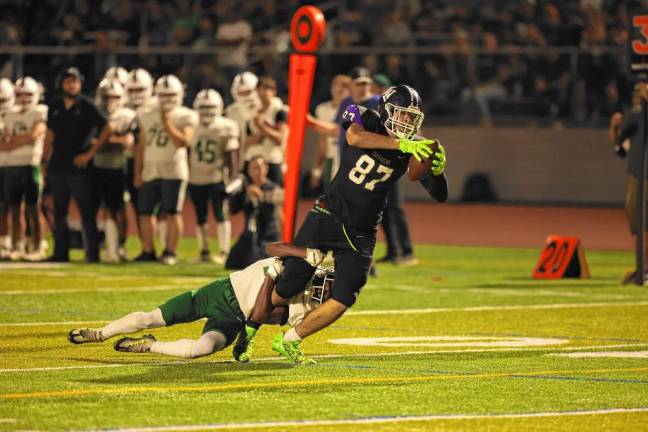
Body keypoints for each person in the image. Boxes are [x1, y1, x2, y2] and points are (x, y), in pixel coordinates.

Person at [238, 85, 448, 363]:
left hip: (362, 229)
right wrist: (401, 144)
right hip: (328, 213)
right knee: (288, 288)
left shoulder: (414, 144)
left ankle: (290, 340)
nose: (407, 123)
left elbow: (439, 195)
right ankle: (249, 326)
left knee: (345, 295)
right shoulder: (363, 115)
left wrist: (437, 170)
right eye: (402, 115)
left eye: (412, 118)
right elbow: (354, 136)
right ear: (386, 110)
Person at [68, 242, 327, 363]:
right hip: (218, 293)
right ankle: (100, 333)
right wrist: (302, 254)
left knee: (200, 349)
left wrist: (246, 334)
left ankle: (150, 347)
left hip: (233, 320)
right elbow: (273, 246)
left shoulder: (302, 307)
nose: (323, 293)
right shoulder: (297, 266)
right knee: (146, 318)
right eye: (324, 287)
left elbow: (263, 313)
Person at [44, 67, 113, 263]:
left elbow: (108, 127)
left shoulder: (86, 105)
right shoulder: (55, 106)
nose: (71, 85)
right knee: (60, 212)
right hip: (57, 165)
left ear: (80, 84)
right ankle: (60, 253)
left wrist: (90, 153)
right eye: (67, 81)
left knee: (86, 212)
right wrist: (43, 159)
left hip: (79, 168)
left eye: (74, 81)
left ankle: (92, 254)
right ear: (62, 84)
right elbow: (50, 134)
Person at [134, 74, 197, 265]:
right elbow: (142, 146)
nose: (167, 99)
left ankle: (170, 252)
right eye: (164, 94)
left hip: (174, 170)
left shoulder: (186, 115)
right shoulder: (146, 114)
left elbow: (183, 142)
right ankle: (148, 250)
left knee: (172, 212)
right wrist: (138, 172)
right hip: (151, 170)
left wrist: (167, 122)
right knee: (145, 212)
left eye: (171, 94)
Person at [0, 77, 48, 261]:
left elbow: (35, 135)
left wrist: (14, 143)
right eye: (19, 94)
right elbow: (5, 141)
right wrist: (20, 141)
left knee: (33, 209)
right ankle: (18, 245)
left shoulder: (40, 111)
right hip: (13, 166)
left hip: (31, 165)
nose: (24, 98)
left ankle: (38, 246)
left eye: (28, 94)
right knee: (14, 208)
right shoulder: (10, 114)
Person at [189, 89, 239, 263]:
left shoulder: (226, 126)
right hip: (195, 177)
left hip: (217, 176)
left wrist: (233, 177)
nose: (207, 111)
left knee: (220, 214)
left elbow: (231, 153)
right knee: (200, 215)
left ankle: (224, 251)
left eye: (210, 107)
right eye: (203, 107)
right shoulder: (191, 125)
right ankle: (204, 252)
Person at [93, 78, 136, 263]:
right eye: (107, 96)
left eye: (115, 96)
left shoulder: (127, 114)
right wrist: (114, 139)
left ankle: (119, 247)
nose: (110, 100)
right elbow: (91, 141)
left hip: (119, 168)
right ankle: (110, 248)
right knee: (105, 209)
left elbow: (128, 142)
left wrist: (104, 141)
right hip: (98, 167)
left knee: (118, 209)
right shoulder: (95, 113)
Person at [609, 81, 648, 284]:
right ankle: (642, 267)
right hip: (637, 174)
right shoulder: (635, 116)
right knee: (636, 221)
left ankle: (645, 269)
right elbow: (620, 149)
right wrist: (614, 127)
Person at [226, 156, 284, 269]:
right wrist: (239, 195)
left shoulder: (273, 189)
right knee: (231, 263)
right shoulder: (247, 188)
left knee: (255, 262)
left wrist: (260, 197)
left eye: (259, 168)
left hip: (267, 235)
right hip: (249, 235)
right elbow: (233, 211)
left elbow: (271, 215)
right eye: (253, 168)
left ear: (266, 169)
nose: (256, 172)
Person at [243, 77, 288, 186]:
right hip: (253, 160)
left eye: (267, 89)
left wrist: (262, 127)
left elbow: (279, 139)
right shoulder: (252, 111)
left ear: (274, 91)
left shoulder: (280, 111)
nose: (263, 93)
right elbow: (246, 142)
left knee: (274, 196)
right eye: (260, 89)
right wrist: (263, 134)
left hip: (272, 161)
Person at [310, 74, 351, 191]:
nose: (340, 89)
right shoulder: (322, 109)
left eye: (345, 86)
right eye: (337, 85)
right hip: (331, 158)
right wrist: (317, 169)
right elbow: (322, 140)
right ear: (331, 87)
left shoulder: (355, 109)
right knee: (330, 200)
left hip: (349, 159)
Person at [225, 71, 260, 170]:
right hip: (240, 161)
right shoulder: (231, 112)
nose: (245, 96)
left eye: (248, 92)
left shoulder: (264, 107)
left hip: (263, 160)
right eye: (241, 93)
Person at [0, 78, 15, 259]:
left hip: (14, 165)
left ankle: (21, 243)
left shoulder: (19, 114)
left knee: (20, 207)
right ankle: (4, 241)